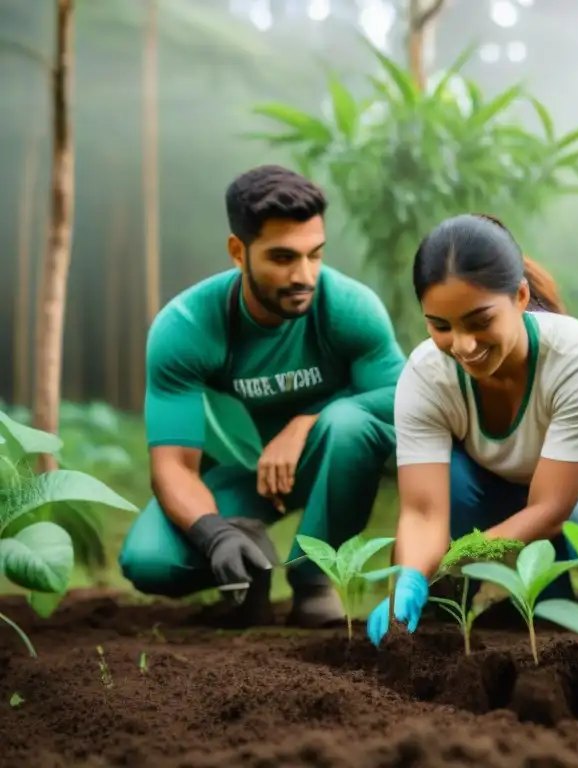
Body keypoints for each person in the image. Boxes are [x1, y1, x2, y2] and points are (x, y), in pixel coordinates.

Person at [118, 164, 406, 628]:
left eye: (315, 255)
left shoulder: (349, 308)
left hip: (327, 458)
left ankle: (314, 580)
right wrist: (213, 535)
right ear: (238, 251)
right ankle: (247, 557)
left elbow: (403, 396)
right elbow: (172, 466)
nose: (304, 275)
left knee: (351, 425)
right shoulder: (188, 326)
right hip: (238, 475)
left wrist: (307, 421)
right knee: (150, 561)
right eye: (282, 258)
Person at [365, 213, 578, 646]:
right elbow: (422, 512)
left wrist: (457, 556)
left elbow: (549, 510)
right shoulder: (425, 375)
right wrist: (412, 577)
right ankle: (492, 601)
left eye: (479, 321)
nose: (463, 345)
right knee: (445, 483)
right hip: (495, 490)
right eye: (440, 326)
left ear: (521, 296)